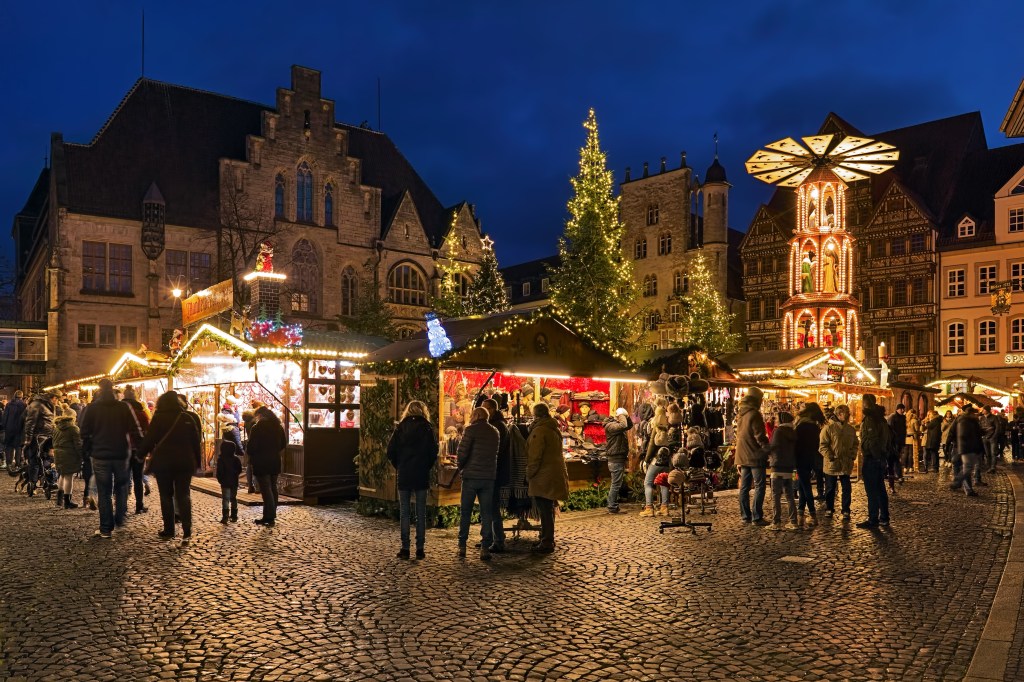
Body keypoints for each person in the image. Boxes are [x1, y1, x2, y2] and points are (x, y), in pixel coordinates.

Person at [80, 379, 143, 539]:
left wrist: (86, 451)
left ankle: (106, 528)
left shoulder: (92, 408)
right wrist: (141, 449)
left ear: (99, 390)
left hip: (100, 454)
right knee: (121, 486)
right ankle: (120, 517)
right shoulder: (124, 407)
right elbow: (136, 429)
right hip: (121, 453)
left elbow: (84, 432)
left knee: (104, 492)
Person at [137, 391, 202, 543]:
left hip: (164, 463)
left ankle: (169, 530)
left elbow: (150, 438)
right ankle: (187, 530)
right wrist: (197, 463)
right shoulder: (187, 417)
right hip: (184, 463)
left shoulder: (159, 417)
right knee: (184, 495)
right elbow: (196, 442)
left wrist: (140, 454)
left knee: (166, 495)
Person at [386, 400, 438, 560]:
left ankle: (405, 548)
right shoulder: (427, 428)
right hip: (421, 473)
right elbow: (433, 452)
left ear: (407, 411)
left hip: (405, 474)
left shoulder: (400, 428)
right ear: (423, 411)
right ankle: (420, 549)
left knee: (405, 513)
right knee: (420, 513)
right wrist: (425, 466)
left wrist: (400, 465)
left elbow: (390, 451)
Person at [456, 407, 500, 561]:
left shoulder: (470, 430)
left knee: (466, 512)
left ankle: (462, 545)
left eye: (473, 414)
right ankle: (485, 548)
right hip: (488, 477)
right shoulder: (494, 432)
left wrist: (461, 467)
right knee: (486, 513)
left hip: (471, 477)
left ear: (477, 415)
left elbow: (462, 453)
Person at [526, 403, 568, 553]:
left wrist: (529, 474)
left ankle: (547, 541)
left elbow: (534, 457)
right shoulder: (553, 429)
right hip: (552, 474)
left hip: (543, 475)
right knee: (549, 508)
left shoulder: (540, 431)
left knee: (545, 509)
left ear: (536, 415)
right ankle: (547, 537)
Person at [735, 386, 770, 526]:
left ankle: (745, 515)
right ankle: (757, 516)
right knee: (760, 486)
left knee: (744, 487)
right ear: (757, 399)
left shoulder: (742, 413)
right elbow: (759, 436)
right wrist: (767, 449)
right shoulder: (754, 414)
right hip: (754, 455)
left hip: (743, 455)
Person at [248, 405, 287, 527]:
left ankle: (269, 516)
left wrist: (252, 454)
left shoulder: (257, 428)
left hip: (261, 461)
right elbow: (283, 444)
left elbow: (251, 447)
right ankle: (271, 514)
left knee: (266, 489)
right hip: (274, 460)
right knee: (273, 487)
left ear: (260, 415)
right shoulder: (278, 427)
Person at [481, 398, 511, 552]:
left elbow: (497, 452)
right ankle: (489, 538)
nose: (483, 411)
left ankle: (498, 540)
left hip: (495, 472)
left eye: (485, 408)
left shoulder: (497, 426)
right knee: (488, 507)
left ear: (492, 409)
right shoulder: (497, 425)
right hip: (494, 471)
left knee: (492, 507)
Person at [857, 394, 891, 529]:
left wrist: (875, 455)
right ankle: (884, 517)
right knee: (880, 489)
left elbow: (872, 440)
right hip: (880, 457)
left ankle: (873, 519)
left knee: (872, 490)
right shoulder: (881, 418)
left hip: (872, 458)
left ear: (865, 403)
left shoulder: (870, 419)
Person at [819, 403, 858, 520]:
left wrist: (852, 455)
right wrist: (830, 456)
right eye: (847, 414)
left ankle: (846, 509)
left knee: (846, 487)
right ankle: (829, 508)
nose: (849, 416)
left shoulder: (850, 429)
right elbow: (822, 445)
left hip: (846, 463)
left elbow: (856, 443)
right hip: (832, 463)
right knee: (830, 487)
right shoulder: (828, 428)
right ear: (840, 414)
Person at [794, 402, 825, 528]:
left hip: (801, 458)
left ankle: (813, 515)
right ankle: (800, 515)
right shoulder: (815, 427)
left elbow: (797, 444)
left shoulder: (802, 426)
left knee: (806, 487)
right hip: (810, 459)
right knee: (802, 486)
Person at [121, 385, 151, 514]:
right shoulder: (142, 412)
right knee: (138, 478)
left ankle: (123, 507)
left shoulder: (119, 411)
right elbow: (147, 431)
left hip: (122, 449)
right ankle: (139, 506)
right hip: (138, 449)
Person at [768, 411, 798, 531]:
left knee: (775, 495)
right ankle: (793, 521)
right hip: (790, 468)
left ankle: (776, 522)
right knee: (790, 495)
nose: (775, 421)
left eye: (776, 419)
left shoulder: (778, 431)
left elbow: (773, 447)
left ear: (781, 420)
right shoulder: (793, 432)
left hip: (777, 467)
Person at [948, 404, 983, 497]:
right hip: (964, 447)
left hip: (960, 446)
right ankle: (960, 485)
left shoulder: (966, 420)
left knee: (962, 466)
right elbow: (959, 434)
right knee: (966, 467)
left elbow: (952, 432)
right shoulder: (966, 421)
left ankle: (961, 485)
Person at [603, 407, 633, 514]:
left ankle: (613, 505)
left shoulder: (615, 425)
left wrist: (627, 416)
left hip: (618, 458)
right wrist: (621, 415)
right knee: (616, 484)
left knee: (616, 483)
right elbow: (623, 425)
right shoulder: (610, 426)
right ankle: (612, 506)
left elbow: (629, 425)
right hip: (615, 459)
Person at [52, 412, 82, 510]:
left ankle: (59, 499)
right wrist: (82, 455)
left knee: (62, 475)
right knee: (69, 477)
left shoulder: (56, 428)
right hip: (69, 454)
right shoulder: (74, 429)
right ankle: (67, 502)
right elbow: (78, 445)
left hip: (58, 454)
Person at [215, 440, 243, 524]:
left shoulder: (221, 459)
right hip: (234, 482)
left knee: (225, 499)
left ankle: (225, 517)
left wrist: (220, 479)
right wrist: (235, 475)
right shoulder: (236, 459)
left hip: (225, 482)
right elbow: (239, 469)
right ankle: (234, 516)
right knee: (233, 498)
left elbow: (219, 471)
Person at [640, 446, 672, 518]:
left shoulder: (656, 434)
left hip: (656, 460)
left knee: (648, 483)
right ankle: (664, 508)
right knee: (664, 483)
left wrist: (646, 460)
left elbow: (651, 445)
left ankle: (649, 508)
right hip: (667, 460)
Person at [2, 390, 26, 472]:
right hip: (19, 429)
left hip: (9, 429)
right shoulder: (24, 405)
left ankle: (9, 463)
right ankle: (18, 464)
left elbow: (5, 417)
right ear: (21, 396)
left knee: (9, 446)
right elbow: (25, 418)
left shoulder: (9, 404)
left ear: (14, 396)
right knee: (18, 447)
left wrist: (4, 426)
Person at [886, 404, 908, 488]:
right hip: (894, 442)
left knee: (896, 458)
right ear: (898, 409)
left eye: (903, 409)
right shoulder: (893, 417)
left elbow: (903, 430)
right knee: (895, 459)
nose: (903, 410)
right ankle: (897, 475)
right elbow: (890, 430)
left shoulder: (903, 418)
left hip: (899, 441)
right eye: (902, 409)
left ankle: (897, 475)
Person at [922, 409, 943, 474]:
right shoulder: (937, 420)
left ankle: (934, 467)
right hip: (934, 439)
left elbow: (929, 426)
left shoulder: (935, 420)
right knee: (934, 453)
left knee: (933, 453)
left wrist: (926, 422)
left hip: (933, 439)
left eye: (930, 414)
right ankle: (935, 467)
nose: (929, 416)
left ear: (933, 415)